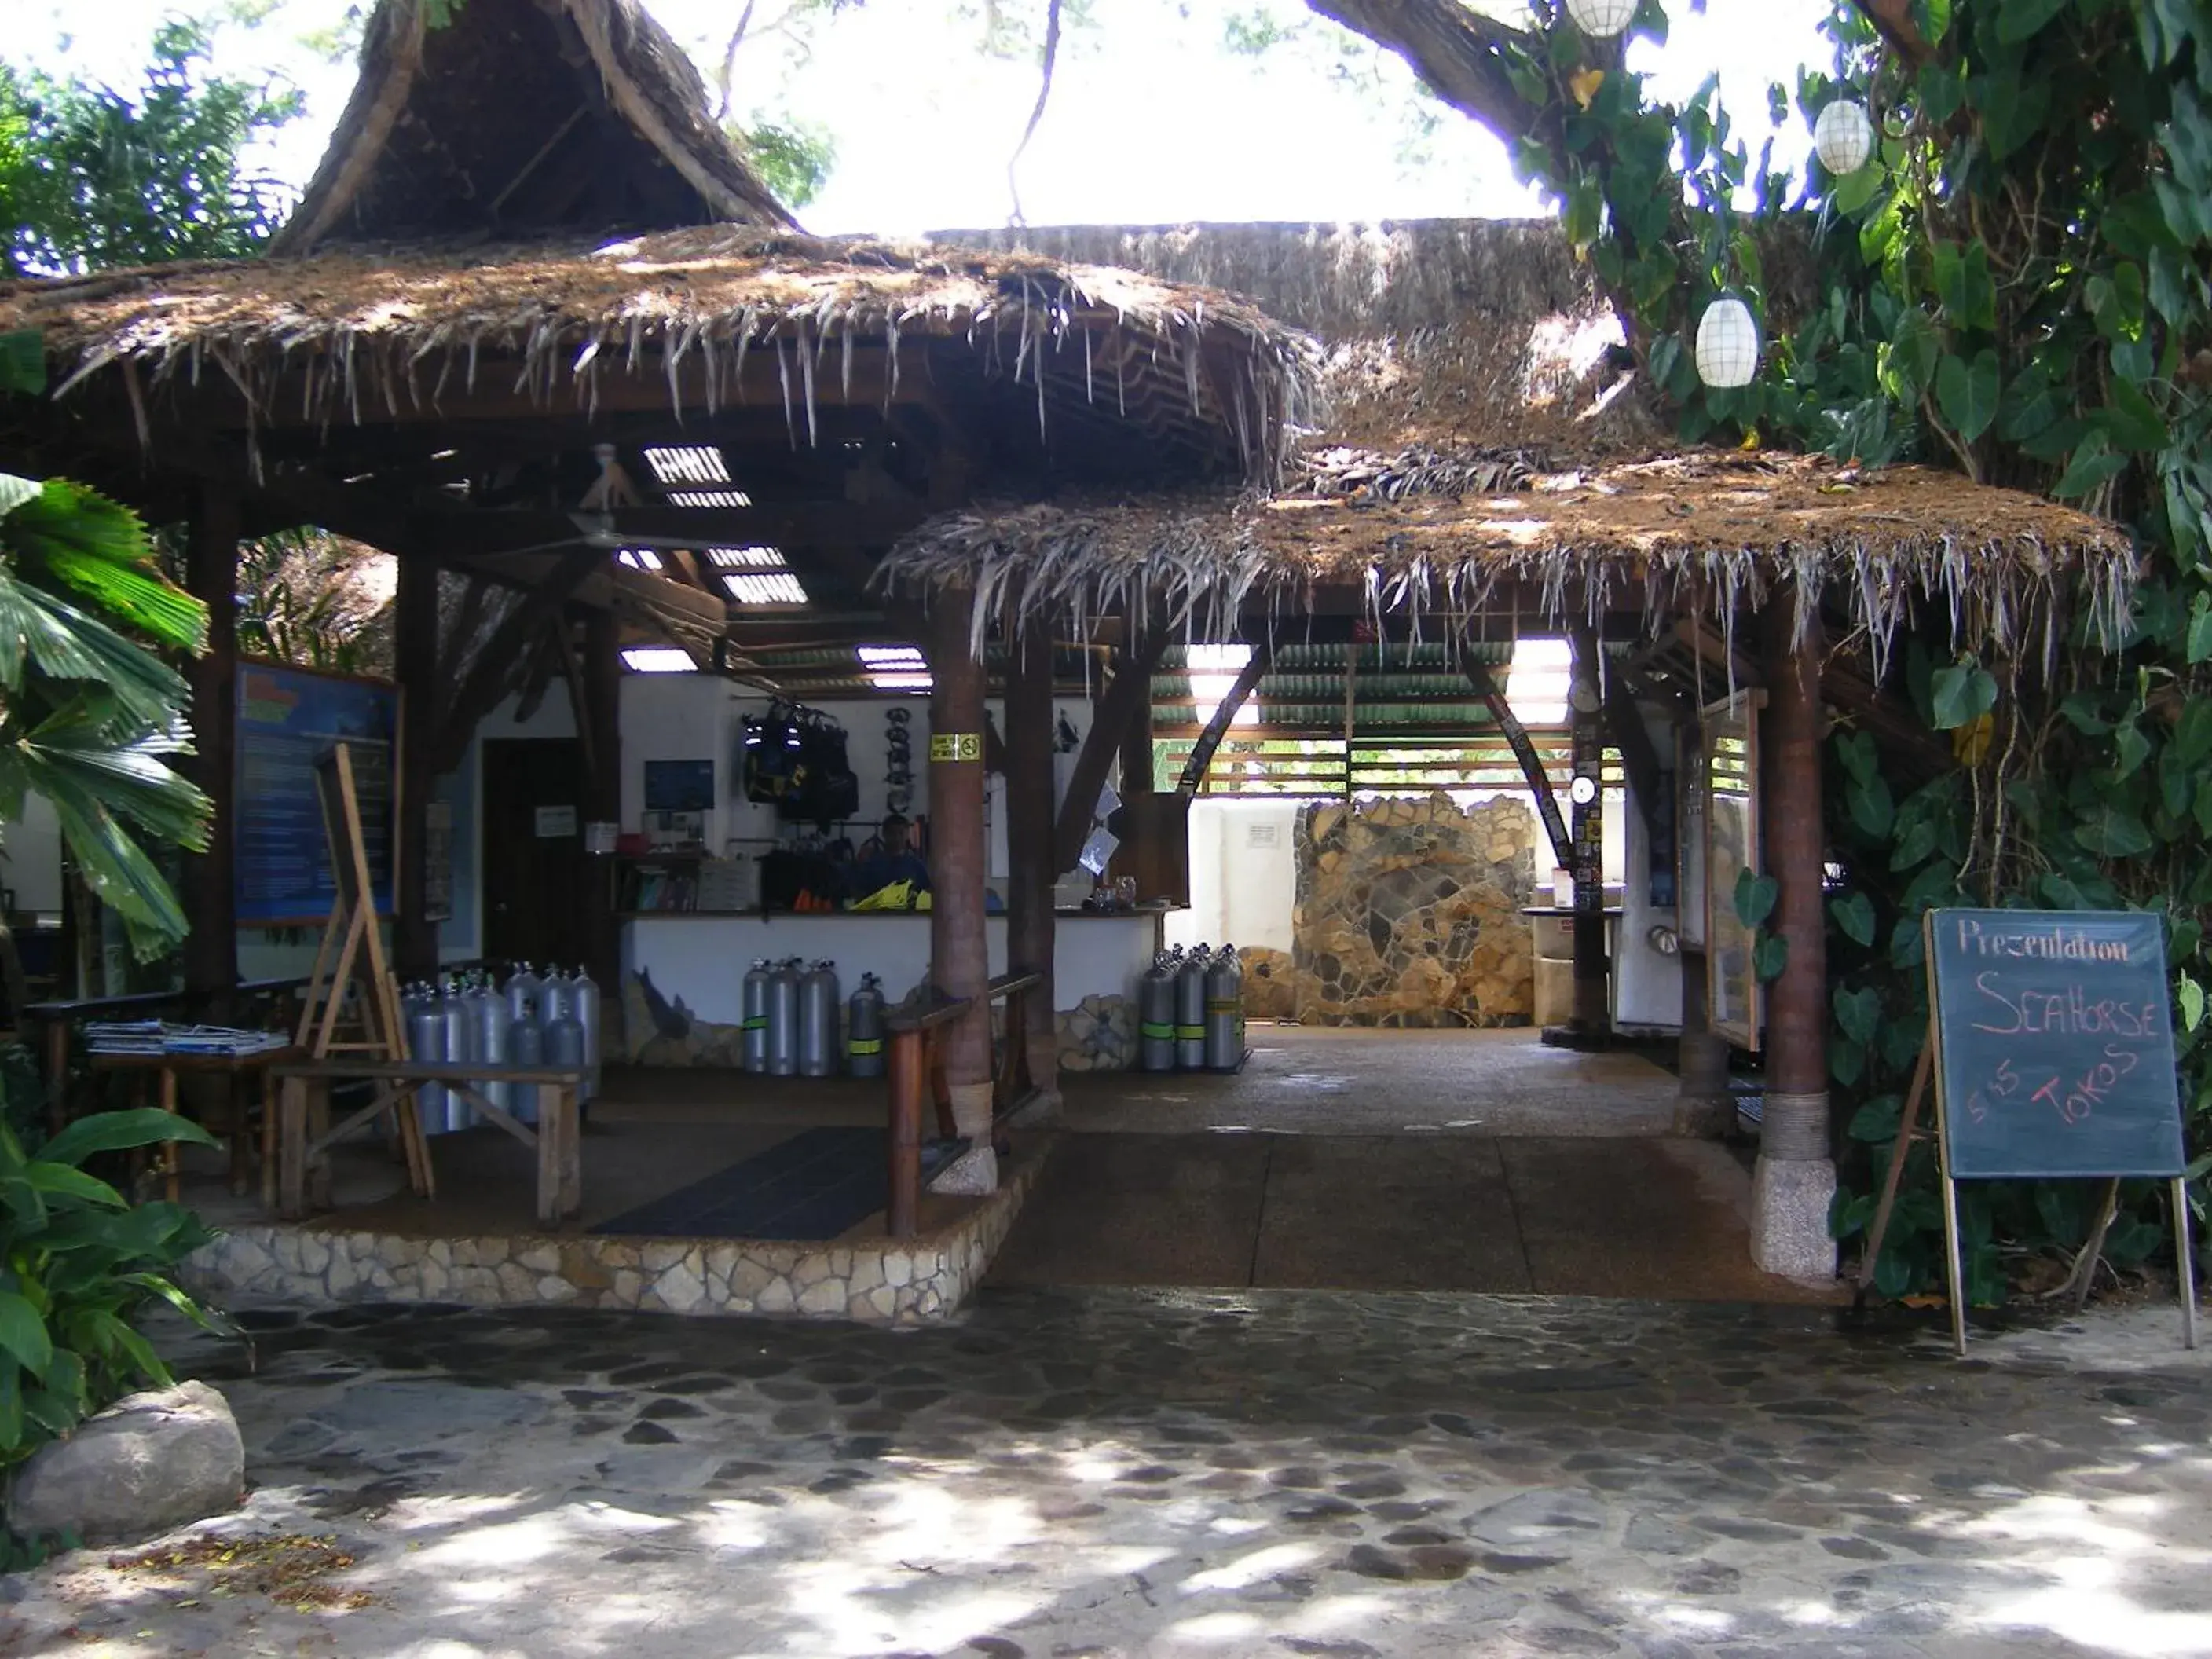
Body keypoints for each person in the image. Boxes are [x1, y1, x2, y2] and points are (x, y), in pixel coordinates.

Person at [852, 812, 931, 898]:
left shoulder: (916, 865)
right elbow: (857, 891)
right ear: (884, 834)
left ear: (907, 835)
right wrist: (859, 864)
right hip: (877, 910)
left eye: (901, 833)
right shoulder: (872, 864)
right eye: (892, 833)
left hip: (907, 910)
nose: (897, 838)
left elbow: (927, 893)